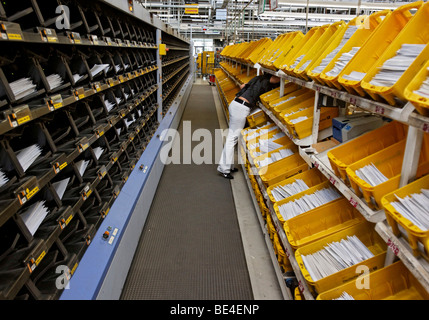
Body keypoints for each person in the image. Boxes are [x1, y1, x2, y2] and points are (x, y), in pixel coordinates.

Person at [217, 73, 281, 179]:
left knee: (233, 138)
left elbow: (242, 86)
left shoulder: (257, 78)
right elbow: (276, 79)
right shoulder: (268, 80)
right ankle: (224, 169)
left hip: (236, 104)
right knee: (232, 139)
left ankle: (229, 166)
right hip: (241, 108)